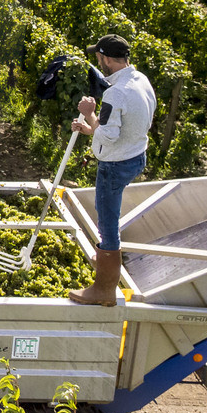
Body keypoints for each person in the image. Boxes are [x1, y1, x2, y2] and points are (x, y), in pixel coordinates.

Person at [68, 34, 157, 306]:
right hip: (136, 156)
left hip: (114, 165)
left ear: (106, 58)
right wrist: (90, 129)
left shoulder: (115, 92)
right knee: (109, 215)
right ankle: (104, 259)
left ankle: (104, 290)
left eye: (99, 57)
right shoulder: (140, 79)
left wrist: (89, 113)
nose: (98, 61)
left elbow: (108, 136)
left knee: (107, 222)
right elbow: (124, 127)